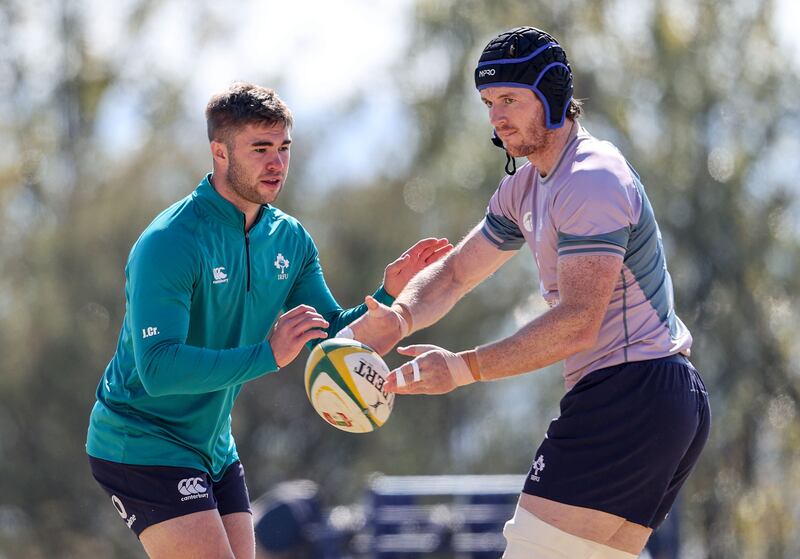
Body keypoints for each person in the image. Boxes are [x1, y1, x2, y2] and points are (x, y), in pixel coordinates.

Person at [344, 27, 710, 559]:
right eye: (490, 102)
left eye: (510, 99)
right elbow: (452, 275)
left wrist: (463, 368)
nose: (496, 117)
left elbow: (579, 321)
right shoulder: (525, 186)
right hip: (646, 396)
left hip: (633, 392)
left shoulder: (591, 177)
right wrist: (398, 319)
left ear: (555, 94)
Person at [85, 82, 451, 559]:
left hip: (213, 445)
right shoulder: (169, 242)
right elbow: (158, 369)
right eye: (260, 149)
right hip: (139, 440)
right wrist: (268, 355)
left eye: (283, 148)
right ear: (219, 151)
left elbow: (331, 334)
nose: (276, 163)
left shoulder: (290, 239)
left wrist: (387, 293)